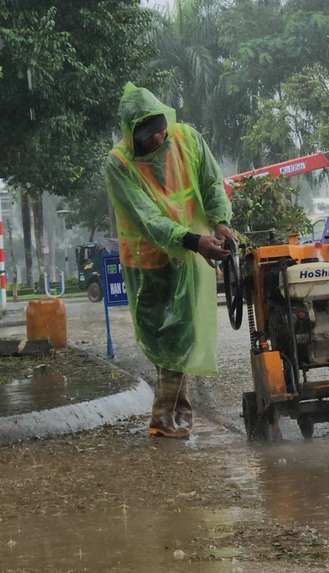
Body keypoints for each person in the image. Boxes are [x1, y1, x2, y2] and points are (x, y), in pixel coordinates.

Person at [105, 82, 236, 439]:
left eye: (159, 130)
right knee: (164, 339)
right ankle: (169, 416)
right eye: (146, 135)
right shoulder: (119, 164)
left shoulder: (188, 140)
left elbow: (211, 184)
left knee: (185, 335)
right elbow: (148, 219)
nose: (156, 139)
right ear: (131, 134)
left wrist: (219, 221)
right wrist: (194, 240)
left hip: (190, 252)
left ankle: (172, 417)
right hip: (147, 263)